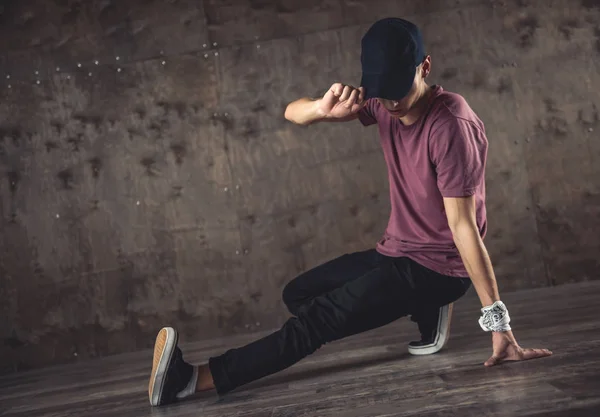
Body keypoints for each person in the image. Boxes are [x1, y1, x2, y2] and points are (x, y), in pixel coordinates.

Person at [147, 17, 552, 407]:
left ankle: (189, 382)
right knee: (299, 295)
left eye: (399, 89)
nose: (392, 103)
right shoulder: (381, 102)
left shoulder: (451, 125)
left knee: (318, 321)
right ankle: (425, 310)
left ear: (424, 67)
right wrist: (322, 110)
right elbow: (292, 112)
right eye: (383, 91)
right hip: (396, 250)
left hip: (439, 268)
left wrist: (500, 326)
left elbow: (464, 228)